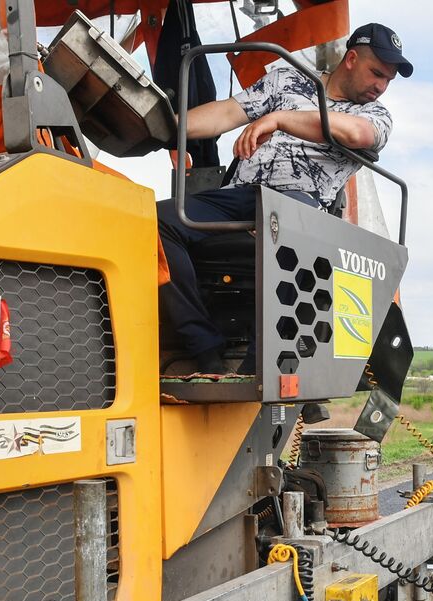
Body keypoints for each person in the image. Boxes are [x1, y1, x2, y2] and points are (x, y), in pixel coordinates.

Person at [157, 23, 412, 374]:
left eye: (388, 81)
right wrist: (164, 125)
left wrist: (278, 119)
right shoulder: (285, 81)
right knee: (159, 219)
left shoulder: (374, 115)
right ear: (351, 59)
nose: (380, 87)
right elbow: (228, 113)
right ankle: (204, 348)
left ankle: (257, 369)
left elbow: (357, 134)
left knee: (289, 223)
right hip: (243, 196)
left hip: (300, 207)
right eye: (377, 74)